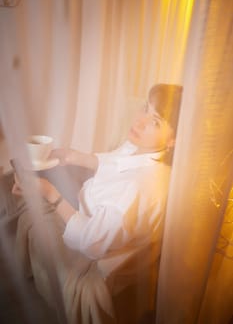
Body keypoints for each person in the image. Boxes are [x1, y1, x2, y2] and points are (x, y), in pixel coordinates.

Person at [11, 83, 182, 323]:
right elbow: (112, 161)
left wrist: (50, 193)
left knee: (34, 195)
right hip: (87, 199)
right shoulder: (141, 148)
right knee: (29, 173)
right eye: (145, 108)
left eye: (155, 121)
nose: (140, 121)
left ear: (174, 140)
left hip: (89, 234)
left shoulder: (140, 188)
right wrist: (72, 156)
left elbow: (90, 241)